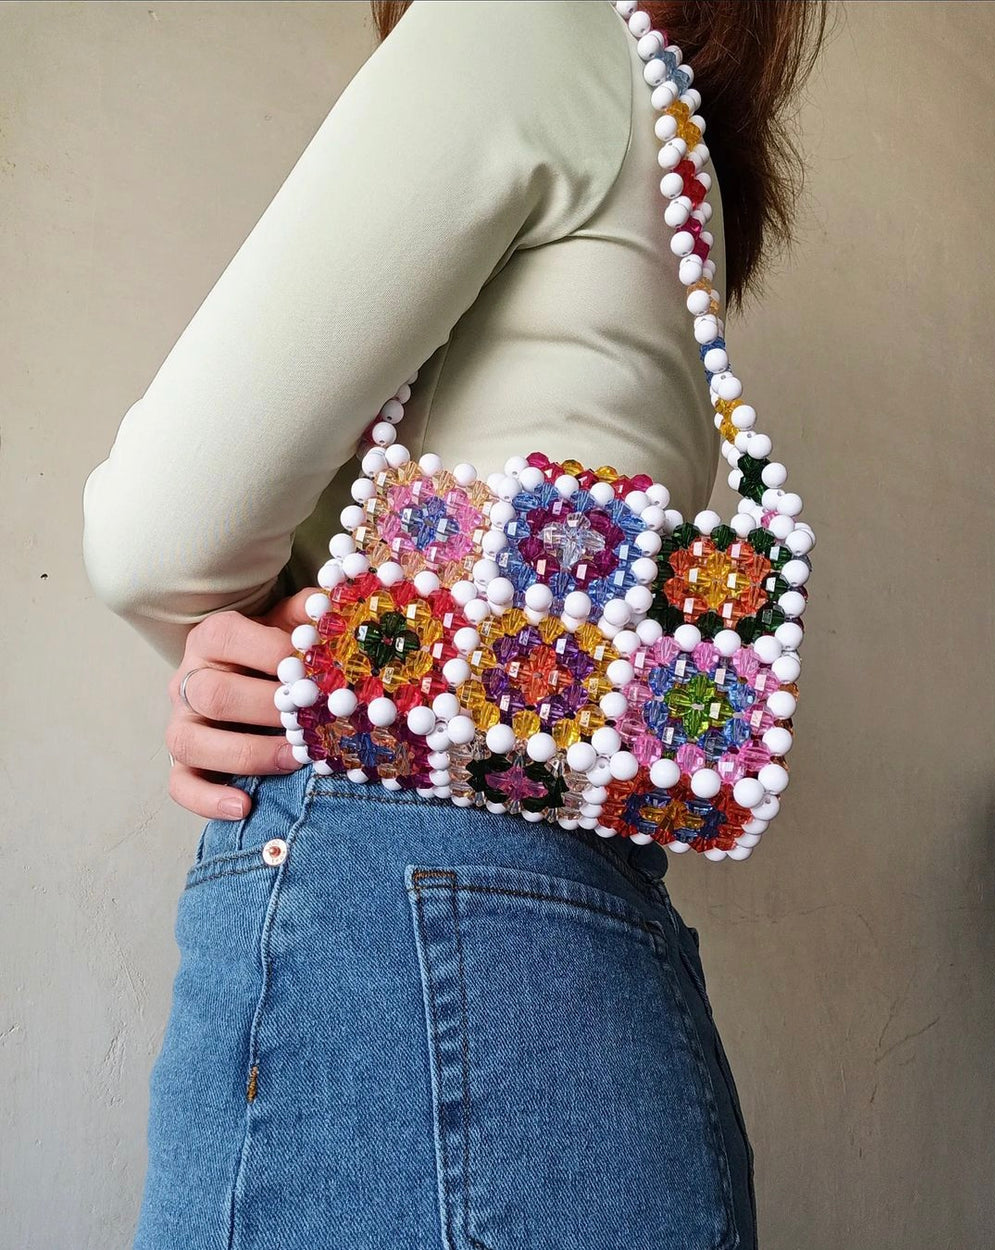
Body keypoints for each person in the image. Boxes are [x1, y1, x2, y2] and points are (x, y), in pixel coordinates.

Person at [82, 3, 827, 1246]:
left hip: (397, 921)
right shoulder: (671, 136)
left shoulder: (524, 21)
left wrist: (305, 672)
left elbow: (154, 529)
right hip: (610, 956)